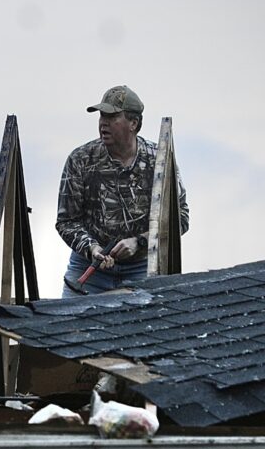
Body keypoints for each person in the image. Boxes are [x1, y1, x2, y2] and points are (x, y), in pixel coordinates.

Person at [56, 84, 188, 297]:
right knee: (68, 328)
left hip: (141, 270)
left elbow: (180, 217)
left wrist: (139, 242)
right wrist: (92, 249)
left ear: (133, 123)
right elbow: (66, 222)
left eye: (112, 117)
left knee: (148, 328)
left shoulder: (159, 160)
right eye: (101, 117)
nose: (103, 124)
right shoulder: (80, 159)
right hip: (89, 270)